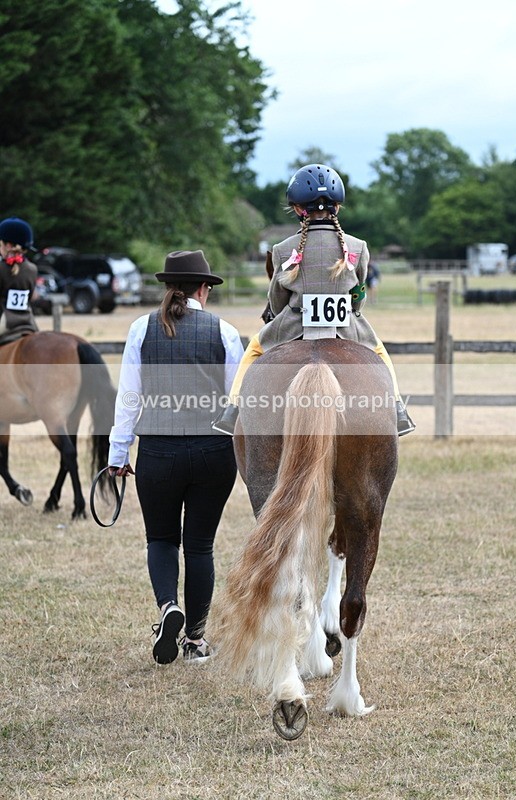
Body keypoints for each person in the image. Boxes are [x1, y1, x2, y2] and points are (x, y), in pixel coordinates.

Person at [108, 250, 244, 664]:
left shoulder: (139, 329)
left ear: (169, 287)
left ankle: (169, 607)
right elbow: (239, 402)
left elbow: (128, 398)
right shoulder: (224, 331)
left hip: (158, 452)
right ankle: (197, 641)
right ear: (204, 288)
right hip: (212, 453)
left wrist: (118, 451)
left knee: (161, 539)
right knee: (200, 547)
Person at [212, 163, 415, 436]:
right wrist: (350, 308)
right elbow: (359, 295)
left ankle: (232, 410)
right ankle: (397, 409)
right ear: (337, 206)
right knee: (379, 352)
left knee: (255, 348)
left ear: (297, 208)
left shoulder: (283, 250)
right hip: (346, 328)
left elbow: (277, 302)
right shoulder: (357, 247)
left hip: (294, 326)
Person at [0, 217, 39, 345]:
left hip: (5, 322)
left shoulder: (1, 268)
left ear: (8, 245)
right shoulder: (32, 269)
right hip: (28, 322)